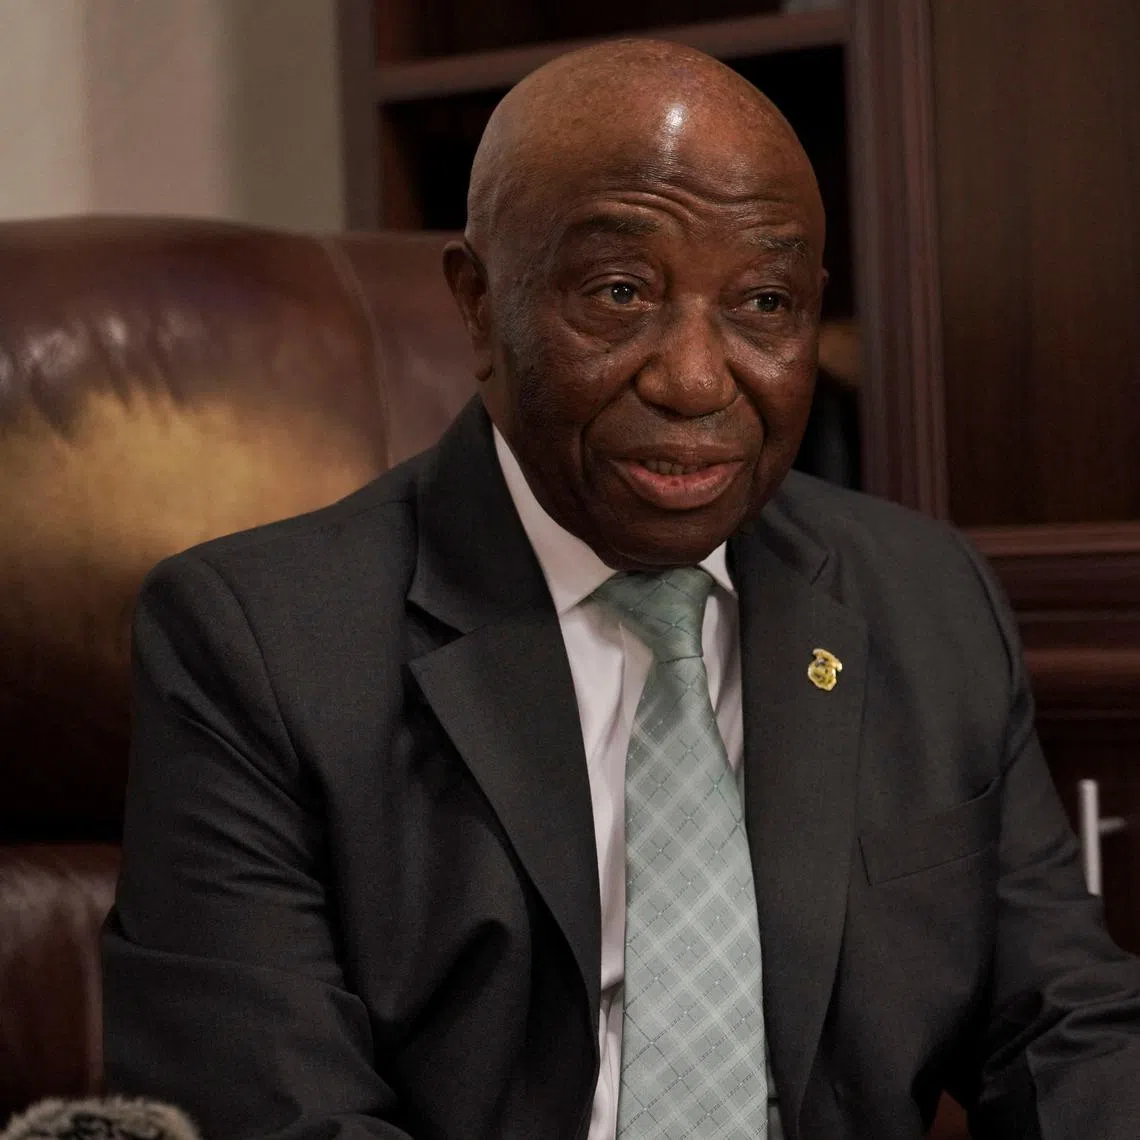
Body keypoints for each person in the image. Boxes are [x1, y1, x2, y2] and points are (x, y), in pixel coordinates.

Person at [103, 38, 1140, 1140]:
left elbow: (1067, 1027)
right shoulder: (257, 642)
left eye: (765, 303)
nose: (696, 378)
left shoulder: (926, 601)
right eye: (619, 291)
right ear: (478, 303)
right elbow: (270, 1113)